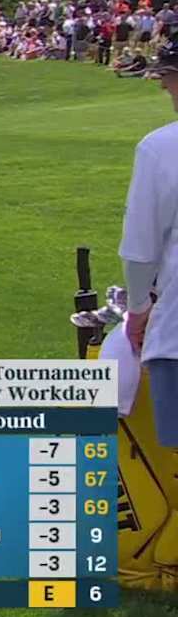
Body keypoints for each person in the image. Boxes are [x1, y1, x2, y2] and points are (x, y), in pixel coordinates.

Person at [121, 40, 178, 447]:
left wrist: (138, 308)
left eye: (169, 77)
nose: (164, 86)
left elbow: (141, 251)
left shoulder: (160, 148)